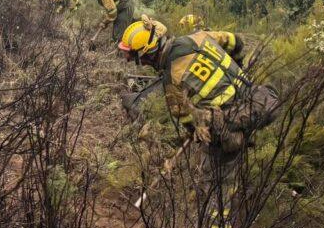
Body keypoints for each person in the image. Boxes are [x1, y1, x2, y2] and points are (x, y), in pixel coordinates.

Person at [117, 16, 278, 155]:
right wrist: (236, 67)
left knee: (212, 175)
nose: (129, 59)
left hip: (228, 121)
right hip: (258, 98)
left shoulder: (172, 80)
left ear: (146, 54)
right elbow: (237, 42)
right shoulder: (199, 37)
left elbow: (189, 123)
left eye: (132, 55)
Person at [75, 0, 151, 47]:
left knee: (118, 36)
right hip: (121, 6)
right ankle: (142, 22)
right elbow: (110, 9)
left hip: (124, 6)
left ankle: (119, 57)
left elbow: (112, 12)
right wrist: (105, 21)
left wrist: (105, 22)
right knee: (129, 27)